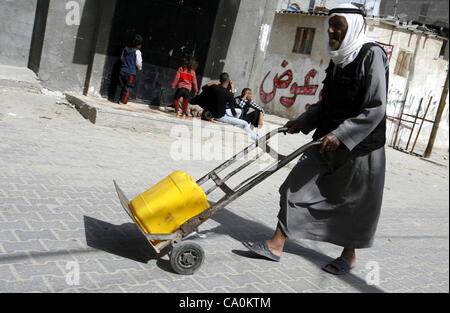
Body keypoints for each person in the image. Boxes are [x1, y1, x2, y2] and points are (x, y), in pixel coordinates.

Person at [242, 3, 389, 276]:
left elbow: (376, 107)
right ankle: (276, 244)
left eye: (339, 26)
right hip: (325, 140)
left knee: (352, 203)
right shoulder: (338, 58)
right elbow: (326, 102)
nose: (332, 31)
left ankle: (349, 254)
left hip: (361, 147)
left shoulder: (372, 55)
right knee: (293, 186)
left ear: (354, 27)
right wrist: (304, 121)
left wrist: (343, 134)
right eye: (330, 25)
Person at [115, 34, 143, 105]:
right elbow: (139, 63)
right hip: (131, 73)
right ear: (139, 45)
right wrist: (139, 68)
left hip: (122, 70)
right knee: (128, 87)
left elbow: (121, 58)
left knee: (119, 85)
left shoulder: (125, 49)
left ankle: (115, 99)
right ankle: (123, 101)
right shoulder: (138, 52)